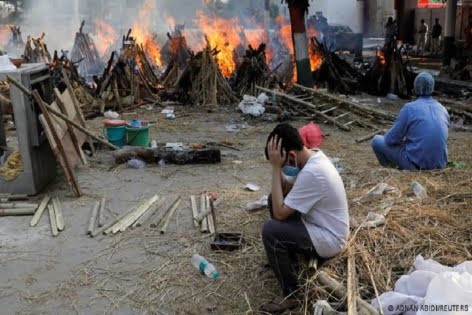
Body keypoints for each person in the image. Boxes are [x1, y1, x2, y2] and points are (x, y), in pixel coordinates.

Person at [260, 123, 349, 314]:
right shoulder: (310, 156)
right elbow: (281, 193)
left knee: (270, 231)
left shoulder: (313, 172)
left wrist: (276, 169)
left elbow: (280, 213)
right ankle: (286, 258)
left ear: (291, 156)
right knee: (272, 199)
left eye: (284, 166)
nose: (284, 170)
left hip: (330, 238)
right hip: (317, 224)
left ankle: (291, 294)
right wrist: (279, 166)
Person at [371, 72, 450, 171]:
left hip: (416, 165)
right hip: (440, 166)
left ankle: (391, 171)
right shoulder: (442, 109)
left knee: (377, 140)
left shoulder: (409, 108)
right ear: (432, 89)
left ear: (415, 89)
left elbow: (390, 140)